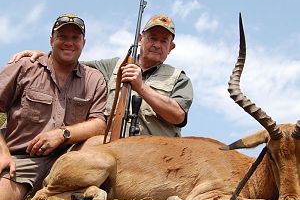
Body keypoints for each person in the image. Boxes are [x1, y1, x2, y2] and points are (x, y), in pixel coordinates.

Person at [9, 14, 193, 138]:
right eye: (152, 38)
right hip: (109, 152)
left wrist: (141, 88)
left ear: (171, 47)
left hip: (152, 158)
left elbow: (177, 116)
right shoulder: (113, 66)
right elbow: (71, 61)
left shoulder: (179, 78)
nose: (157, 44)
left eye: (164, 41)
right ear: (140, 39)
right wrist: (44, 54)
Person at [0, 13, 107, 200]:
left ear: (84, 42)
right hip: (21, 160)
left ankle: (63, 192)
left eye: (75, 38)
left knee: (98, 143)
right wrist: (3, 153)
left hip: (67, 161)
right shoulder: (25, 67)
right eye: (62, 37)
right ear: (51, 40)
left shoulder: (94, 79)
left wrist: (62, 134)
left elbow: (100, 124)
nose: (69, 42)